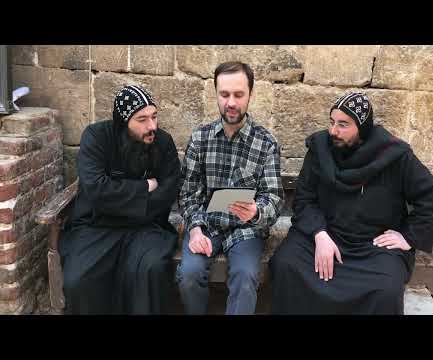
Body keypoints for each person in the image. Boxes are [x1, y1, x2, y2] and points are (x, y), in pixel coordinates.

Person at [269, 91, 433, 315]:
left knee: (385, 289)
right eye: (332, 122)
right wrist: (319, 235)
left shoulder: (394, 154)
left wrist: (408, 236)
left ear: (362, 127)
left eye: (343, 125)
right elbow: (304, 198)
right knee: (286, 265)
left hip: (372, 246)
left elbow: (430, 194)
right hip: (323, 235)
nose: (333, 131)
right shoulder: (320, 149)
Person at [59, 85, 181, 314]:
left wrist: (120, 199)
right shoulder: (96, 137)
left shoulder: (163, 142)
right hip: (97, 226)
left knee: (151, 269)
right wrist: (145, 186)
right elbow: (96, 189)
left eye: (154, 117)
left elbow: (168, 189)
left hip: (147, 226)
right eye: (142, 119)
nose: (152, 126)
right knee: (78, 280)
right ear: (124, 122)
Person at [176, 61, 284, 315]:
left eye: (238, 94)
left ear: (250, 95)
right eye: (224, 94)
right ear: (216, 94)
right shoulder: (200, 138)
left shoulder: (266, 142)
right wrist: (195, 230)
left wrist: (257, 212)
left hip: (245, 229)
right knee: (189, 274)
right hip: (207, 225)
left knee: (246, 277)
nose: (231, 103)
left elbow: (274, 198)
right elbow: (188, 194)